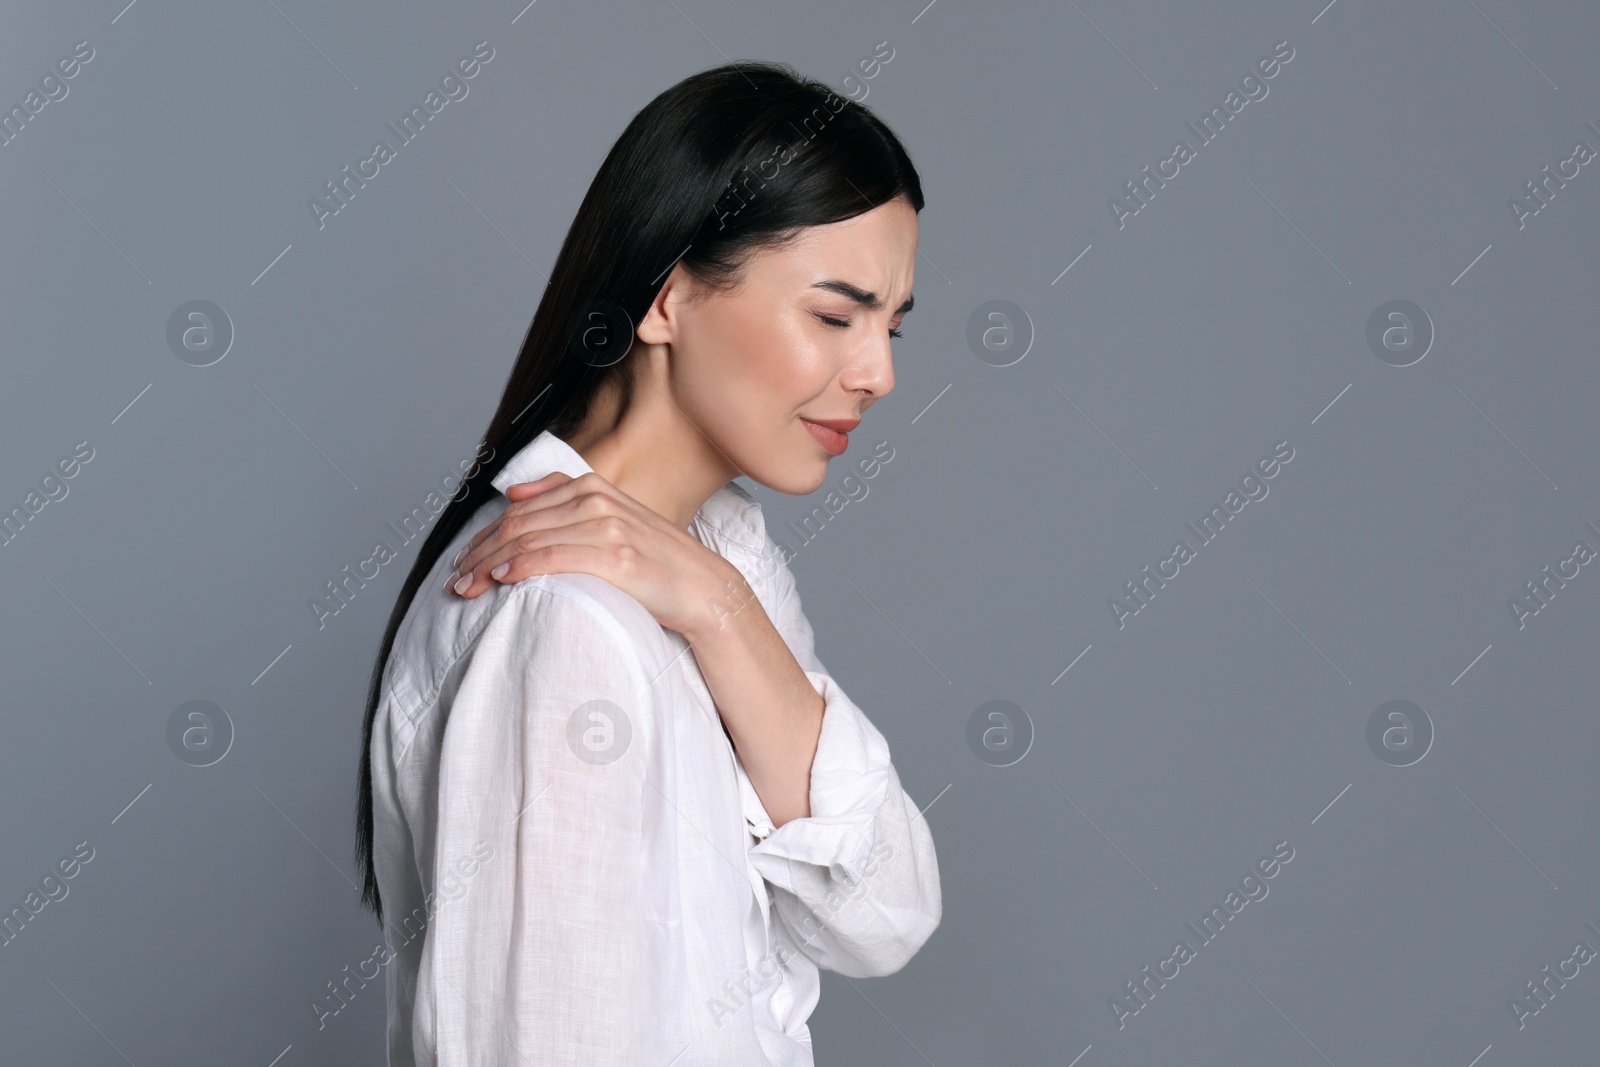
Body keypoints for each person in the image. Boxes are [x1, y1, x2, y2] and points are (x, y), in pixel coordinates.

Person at [355, 59, 941, 1065]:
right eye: (836, 316)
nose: (879, 372)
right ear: (666, 297)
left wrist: (719, 609)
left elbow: (884, 913)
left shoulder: (714, 556)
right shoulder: (565, 618)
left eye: (891, 324)